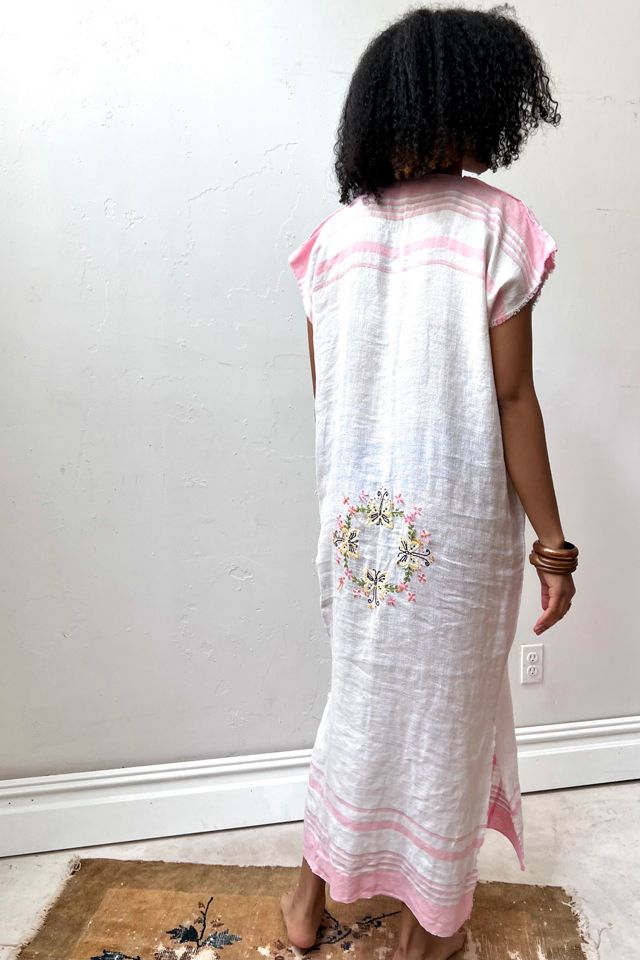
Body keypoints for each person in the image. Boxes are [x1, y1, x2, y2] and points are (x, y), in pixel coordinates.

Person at [282, 6, 578, 959]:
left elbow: (333, 401)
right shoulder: (498, 225)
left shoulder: (331, 242)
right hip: (453, 529)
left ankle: (303, 905)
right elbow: (513, 399)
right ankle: (428, 931)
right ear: (463, 108)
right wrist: (553, 545)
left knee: (360, 703)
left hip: (357, 528)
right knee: (446, 718)